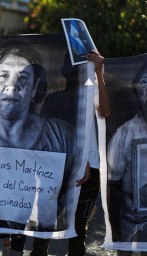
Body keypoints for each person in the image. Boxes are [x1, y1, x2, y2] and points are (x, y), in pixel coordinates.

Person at [0, 40, 75, 256]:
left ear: (36, 87)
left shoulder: (61, 135)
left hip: (31, 219)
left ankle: (16, 247)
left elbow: (66, 186)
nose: (12, 84)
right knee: (3, 226)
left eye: (23, 77)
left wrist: (83, 165)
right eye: (3, 75)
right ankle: (6, 239)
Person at [31, 50, 111, 256]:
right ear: (64, 72)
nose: (76, 73)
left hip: (89, 169)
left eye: (83, 67)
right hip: (57, 169)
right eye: (73, 68)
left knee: (77, 233)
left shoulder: (93, 92)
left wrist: (100, 73)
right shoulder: (54, 100)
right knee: (44, 228)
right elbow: (46, 138)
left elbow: (105, 111)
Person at [107, 61, 147, 256]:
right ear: (138, 95)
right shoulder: (126, 134)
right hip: (131, 224)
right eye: (144, 85)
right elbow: (112, 184)